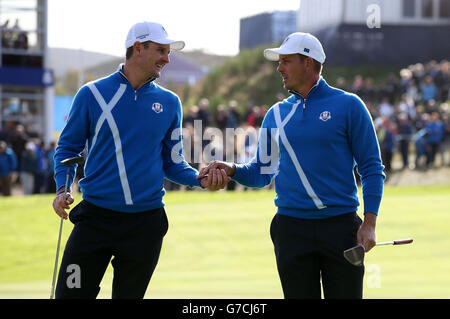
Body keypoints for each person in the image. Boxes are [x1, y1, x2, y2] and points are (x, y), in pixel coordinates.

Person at [198, 32, 385, 299]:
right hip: (291, 229)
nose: (279, 67)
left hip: (341, 229)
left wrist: (369, 223)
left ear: (307, 63)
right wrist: (232, 169)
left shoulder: (349, 106)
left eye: (286, 60)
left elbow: (371, 168)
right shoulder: (275, 114)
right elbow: (261, 173)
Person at [52, 21, 229, 299]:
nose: (167, 59)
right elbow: (67, 150)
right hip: (95, 220)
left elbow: (173, 162)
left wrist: (199, 178)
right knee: (69, 295)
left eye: (168, 52)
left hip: (145, 225)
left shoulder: (170, 103)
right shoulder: (92, 94)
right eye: (160, 50)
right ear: (137, 48)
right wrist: (63, 190)